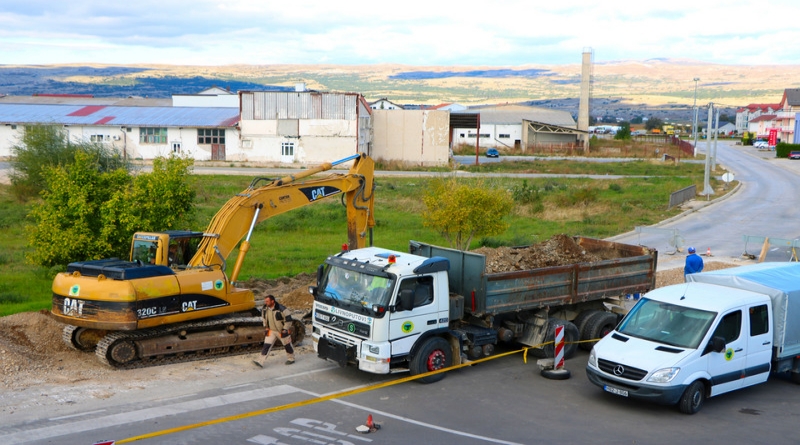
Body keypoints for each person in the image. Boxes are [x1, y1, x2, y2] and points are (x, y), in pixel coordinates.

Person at [253, 295, 295, 367]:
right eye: (265, 301)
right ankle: (260, 361)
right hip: (271, 331)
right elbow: (264, 318)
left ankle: (291, 359)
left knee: (287, 345)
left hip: (281, 331)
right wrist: (266, 327)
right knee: (266, 346)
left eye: (267, 301)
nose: (265, 302)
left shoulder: (282, 309)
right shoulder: (265, 309)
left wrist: (285, 329)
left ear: (272, 301)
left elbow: (289, 320)